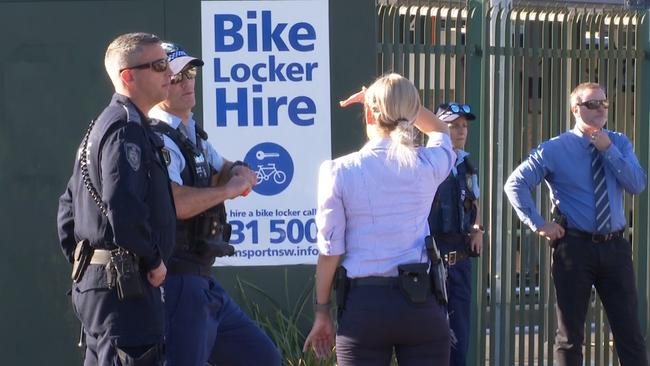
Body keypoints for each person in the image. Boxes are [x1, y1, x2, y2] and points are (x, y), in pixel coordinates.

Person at [303, 73, 456, 365]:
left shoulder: (339, 171)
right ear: (411, 114)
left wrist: (322, 310)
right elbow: (440, 131)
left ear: (369, 114)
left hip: (365, 307)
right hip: (422, 303)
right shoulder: (427, 164)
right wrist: (406, 106)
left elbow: (330, 252)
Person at [147, 42, 282, 366]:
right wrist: (230, 189)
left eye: (190, 73)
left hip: (202, 275)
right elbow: (174, 202)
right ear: (162, 83)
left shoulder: (191, 132)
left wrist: (237, 171)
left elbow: (222, 167)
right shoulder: (157, 135)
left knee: (263, 357)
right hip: (176, 277)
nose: (187, 82)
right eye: (177, 77)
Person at [504, 82, 648, 366]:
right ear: (575, 109)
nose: (600, 109)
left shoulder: (618, 142)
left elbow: (637, 184)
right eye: (591, 104)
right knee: (570, 336)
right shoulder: (556, 148)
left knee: (630, 332)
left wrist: (608, 150)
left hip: (615, 247)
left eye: (604, 103)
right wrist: (539, 223)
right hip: (575, 247)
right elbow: (515, 183)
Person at [56, 32, 176, 365]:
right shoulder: (126, 128)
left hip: (102, 286)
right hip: (125, 287)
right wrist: (152, 259)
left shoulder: (101, 126)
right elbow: (122, 206)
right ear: (128, 76)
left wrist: (88, 262)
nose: (169, 73)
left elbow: (67, 211)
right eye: (159, 65)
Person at [428, 102, 483, 366]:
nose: (460, 131)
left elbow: (474, 202)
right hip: (430, 262)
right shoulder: (425, 161)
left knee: (459, 339)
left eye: (464, 126)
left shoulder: (466, 165)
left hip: (459, 262)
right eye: (453, 126)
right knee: (431, 339)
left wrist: (477, 229)